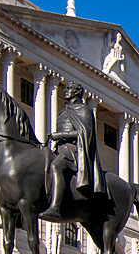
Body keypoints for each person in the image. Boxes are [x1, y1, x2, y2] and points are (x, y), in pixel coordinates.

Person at [41, 81, 106, 219]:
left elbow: (85, 133)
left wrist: (61, 135)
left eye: (69, 89)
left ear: (77, 92)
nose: (66, 91)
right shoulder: (64, 110)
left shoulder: (84, 110)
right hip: (59, 148)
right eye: (66, 88)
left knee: (56, 166)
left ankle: (55, 207)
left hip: (73, 149)